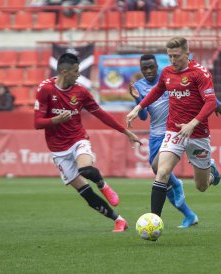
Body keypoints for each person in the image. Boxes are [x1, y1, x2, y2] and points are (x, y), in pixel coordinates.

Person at [34, 53, 142, 233]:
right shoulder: (45, 89)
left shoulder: (81, 92)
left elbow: (100, 113)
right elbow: (37, 123)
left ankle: (103, 185)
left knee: (85, 168)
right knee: (85, 193)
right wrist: (56, 120)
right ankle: (119, 220)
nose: (78, 75)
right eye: (76, 71)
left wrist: (125, 131)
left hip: (78, 139)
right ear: (64, 71)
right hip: (58, 149)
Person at [126, 37, 221, 217]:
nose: (173, 60)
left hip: (198, 134)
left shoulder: (200, 73)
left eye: (176, 56)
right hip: (174, 131)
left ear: (187, 53)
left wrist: (192, 124)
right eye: (170, 56)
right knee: (161, 172)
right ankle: (154, 220)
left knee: (201, 186)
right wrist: (138, 107)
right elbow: (157, 91)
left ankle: (212, 173)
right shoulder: (167, 72)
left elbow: (210, 103)